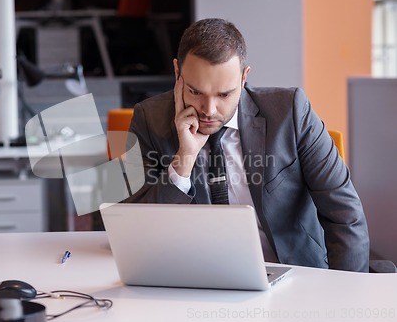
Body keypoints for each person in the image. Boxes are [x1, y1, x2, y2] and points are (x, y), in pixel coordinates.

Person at [124, 18, 369, 272]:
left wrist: (346, 295)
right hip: (196, 283)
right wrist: (183, 160)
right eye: (196, 92)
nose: (209, 110)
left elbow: (345, 216)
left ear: (244, 77)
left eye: (224, 94)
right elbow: (128, 227)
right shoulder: (148, 117)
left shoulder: (291, 111)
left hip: (293, 278)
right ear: (177, 73)